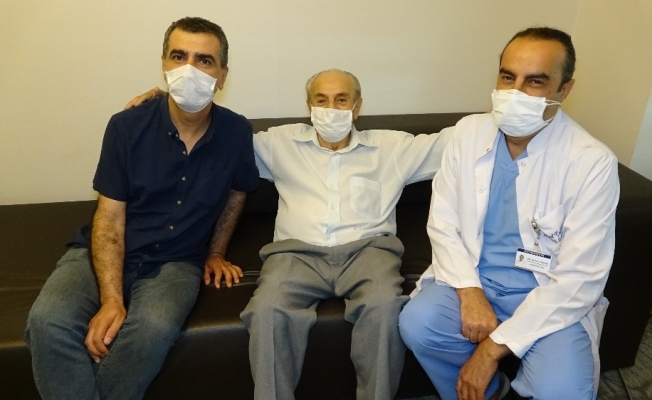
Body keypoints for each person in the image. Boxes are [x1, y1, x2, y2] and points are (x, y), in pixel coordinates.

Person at [125, 68, 452, 399]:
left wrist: (490, 116)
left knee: (384, 307)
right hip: (296, 254)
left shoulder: (391, 147)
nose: (331, 108)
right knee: (267, 311)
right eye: (321, 100)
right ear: (309, 106)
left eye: (341, 100)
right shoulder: (279, 143)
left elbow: (456, 142)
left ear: (357, 107)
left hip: (368, 253)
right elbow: (218, 135)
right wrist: (170, 105)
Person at [24, 17, 258, 400]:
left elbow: (237, 193)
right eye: (179, 57)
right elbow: (109, 218)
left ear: (222, 75)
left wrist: (216, 252)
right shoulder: (127, 127)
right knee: (47, 321)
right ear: (164, 64)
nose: (189, 69)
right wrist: (112, 299)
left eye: (204, 60)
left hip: (177, 262)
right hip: (103, 251)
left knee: (153, 329)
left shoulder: (237, 133)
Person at [398, 27, 619, 400]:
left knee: (564, 392)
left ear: (564, 89)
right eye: (507, 77)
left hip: (547, 293)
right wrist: (470, 292)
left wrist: (490, 350)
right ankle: (489, 393)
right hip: (475, 277)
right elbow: (443, 225)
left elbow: (580, 279)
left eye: (535, 81)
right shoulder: (467, 134)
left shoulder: (591, 162)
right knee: (418, 324)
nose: (515, 92)